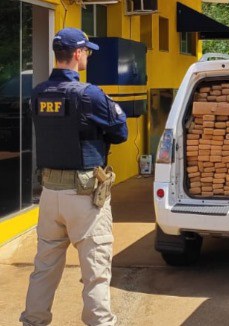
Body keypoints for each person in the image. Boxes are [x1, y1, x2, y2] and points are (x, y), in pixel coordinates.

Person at [20, 28, 128, 326]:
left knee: (44, 268)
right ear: (78, 54)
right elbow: (120, 132)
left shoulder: (39, 92)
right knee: (95, 270)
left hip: (49, 195)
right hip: (84, 197)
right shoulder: (89, 94)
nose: (88, 57)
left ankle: (33, 321)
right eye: (87, 52)